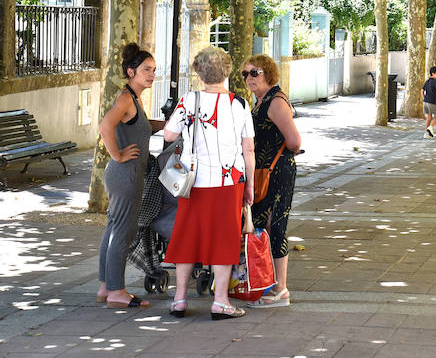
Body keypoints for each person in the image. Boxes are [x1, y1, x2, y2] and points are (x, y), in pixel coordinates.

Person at [163, 46, 255, 320]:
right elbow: (248, 149)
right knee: (224, 237)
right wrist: (249, 185)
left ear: (199, 73)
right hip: (228, 182)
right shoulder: (238, 103)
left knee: (187, 235)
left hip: (193, 181)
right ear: (227, 72)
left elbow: (169, 135)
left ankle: (179, 298)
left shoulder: (188, 100)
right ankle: (221, 301)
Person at [97, 43, 155, 309]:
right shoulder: (125, 98)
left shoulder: (134, 98)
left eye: (154, 70)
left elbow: (140, 126)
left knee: (113, 228)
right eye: (146, 70)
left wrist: (170, 125)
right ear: (131, 71)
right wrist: (117, 154)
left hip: (124, 174)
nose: (152, 74)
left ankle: (105, 286)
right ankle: (117, 292)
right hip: (125, 173)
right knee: (123, 231)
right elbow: (105, 126)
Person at [242, 54, 301, 309]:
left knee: (275, 226)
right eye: (245, 74)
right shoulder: (259, 102)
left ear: (268, 73)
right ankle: (266, 282)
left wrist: (278, 155)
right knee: (261, 226)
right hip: (264, 172)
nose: (249, 79)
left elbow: (295, 142)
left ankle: (281, 289)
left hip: (277, 172)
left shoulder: (275, 102)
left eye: (254, 73)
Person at [422, 66, 436, 138]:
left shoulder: (427, 81)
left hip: (425, 102)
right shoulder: (435, 81)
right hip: (432, 102)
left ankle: (426, 134)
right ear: (433, 74)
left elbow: (422, 90)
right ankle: (430, 127)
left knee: (429, 118)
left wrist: (424, 98)